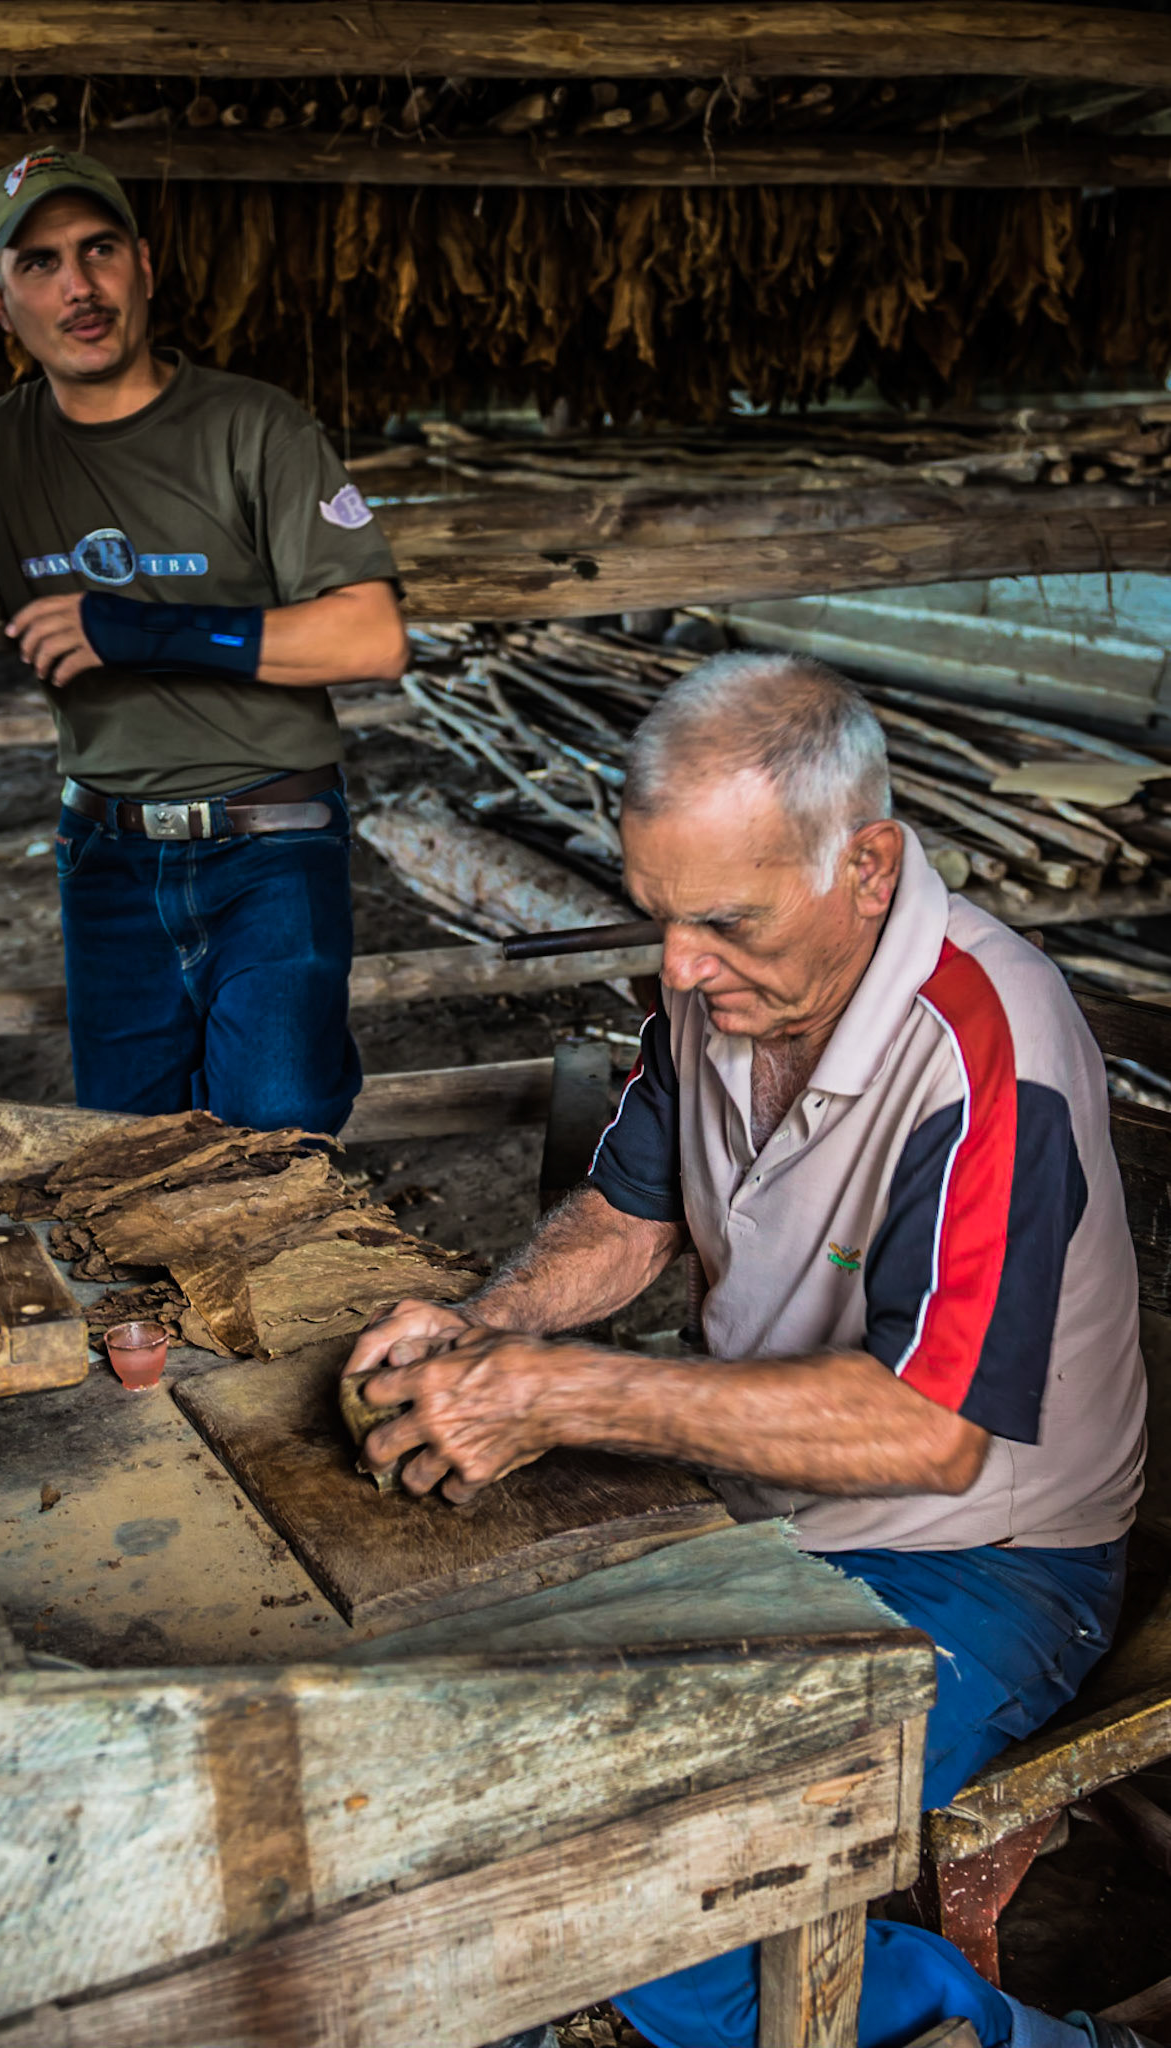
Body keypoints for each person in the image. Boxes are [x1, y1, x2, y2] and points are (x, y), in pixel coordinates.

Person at [346, 653, 1153, 2048]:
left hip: (986, 1564)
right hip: (769, 1519)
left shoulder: (981, 1046)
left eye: (721, 920)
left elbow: (925, 1429)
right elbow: (629, 1212)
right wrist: (488, 1327)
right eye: (659, 914)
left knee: (645, 1894)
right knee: (461, 1761)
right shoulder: (723, 987)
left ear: (866, 867)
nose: (676, 964)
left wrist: (561, 1393)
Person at [0, 147, 408, 1134]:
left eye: (97, 250)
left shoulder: (254, 426)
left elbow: (371, 636)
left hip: (270, 842)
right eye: (39, 263)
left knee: (277, 1124)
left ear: (142, 264)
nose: (78, 286)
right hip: (104, 852)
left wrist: (134, 628)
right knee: (124, 1142)